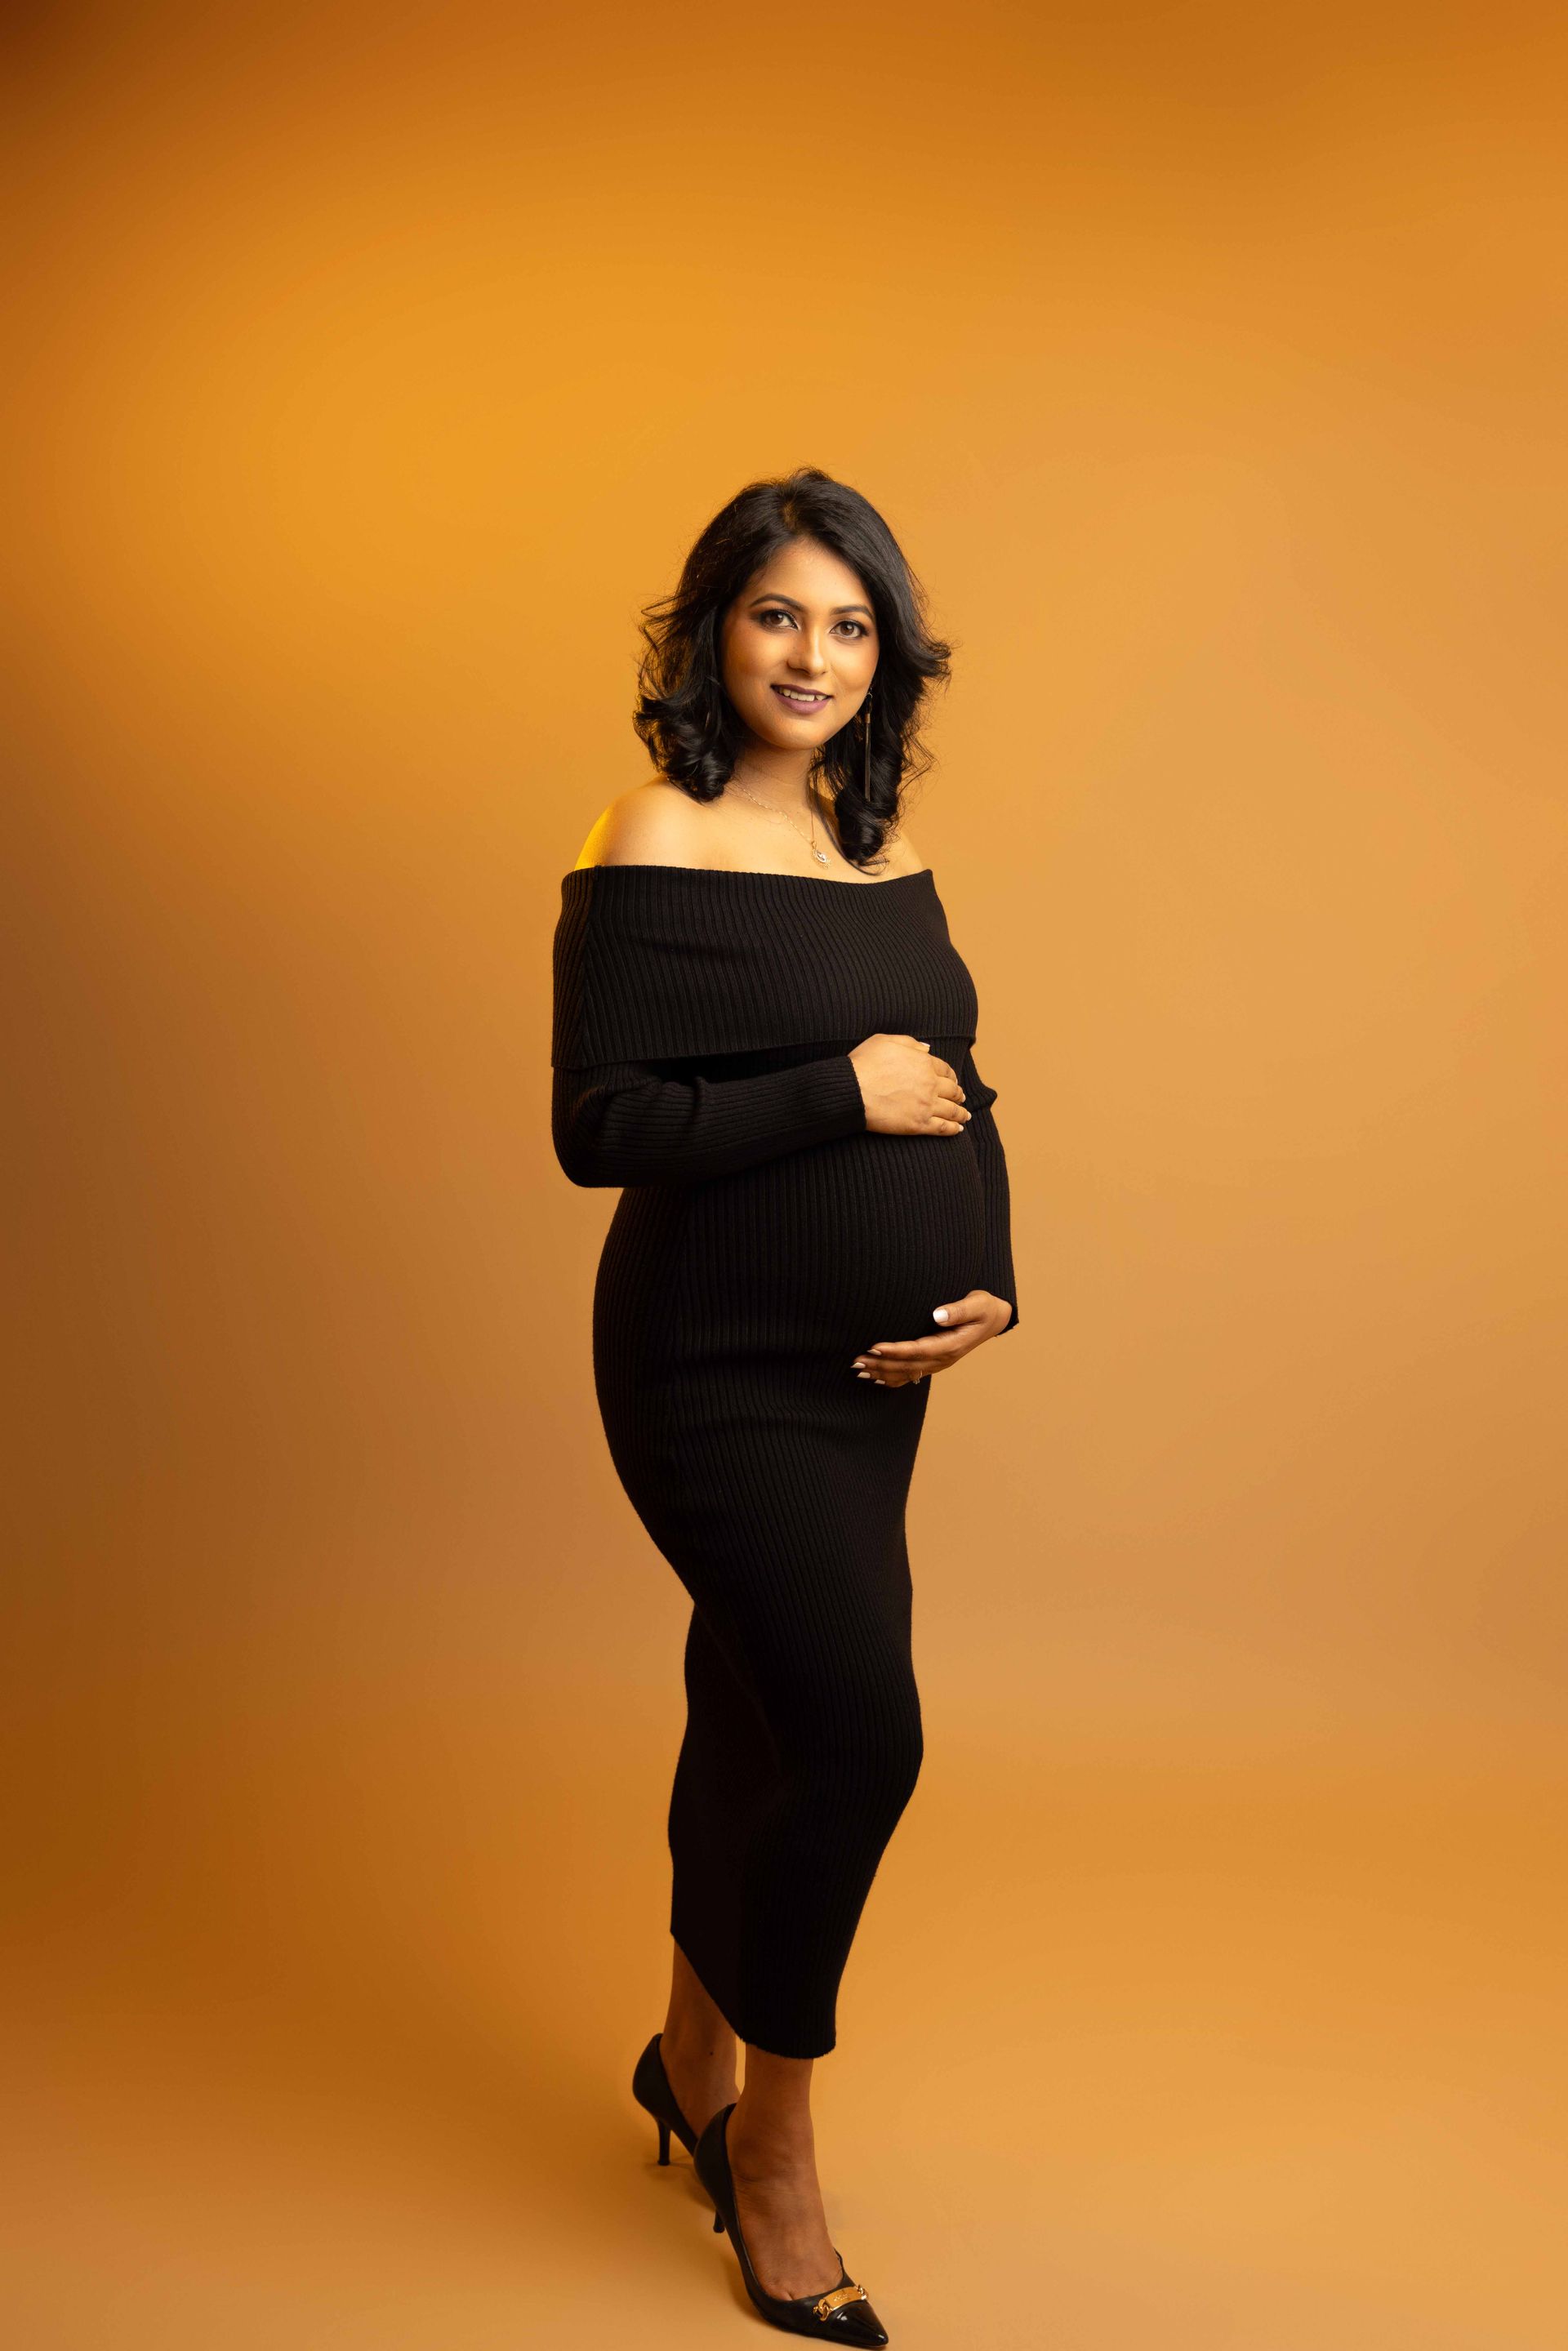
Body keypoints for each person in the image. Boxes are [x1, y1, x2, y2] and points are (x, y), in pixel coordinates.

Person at [550, 465, 1020, 2342]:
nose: (812, 653)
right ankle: (774, 2147)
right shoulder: (648, 830)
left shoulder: (875, 845)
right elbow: (604, 1127)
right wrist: (840, 1093)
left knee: (753, 1700)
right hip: (709, 1366)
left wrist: (993, 1277)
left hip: (872, 1379)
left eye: (847, 622)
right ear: (714, 630)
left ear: (883, 652)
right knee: (857, 1731)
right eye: (777, 614)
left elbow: (957, 1075)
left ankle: (682, 2061)